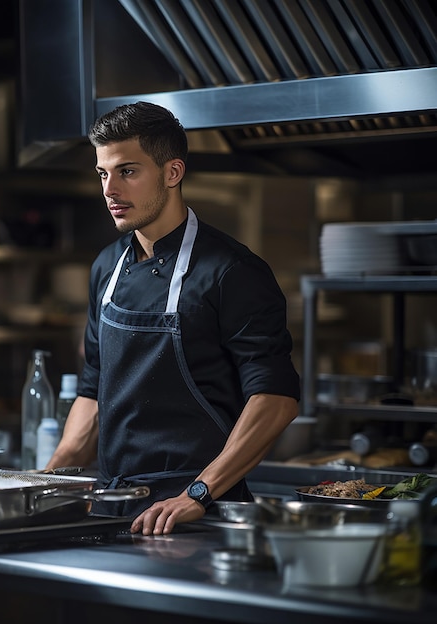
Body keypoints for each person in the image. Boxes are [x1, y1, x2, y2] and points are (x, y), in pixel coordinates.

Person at [46, 101, 300, 535]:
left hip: (197, 514)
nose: (110, 189)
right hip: (113, 508)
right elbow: (94, 386)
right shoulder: (106, 266)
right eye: (103, 174)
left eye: (127, 171)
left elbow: (275, 399)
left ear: (172, 173)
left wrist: (198, 494)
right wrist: (49, 481)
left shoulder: (232, 272)